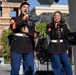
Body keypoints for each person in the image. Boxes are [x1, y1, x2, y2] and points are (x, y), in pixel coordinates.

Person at [10, 1, 37, 75]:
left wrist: (28, 32)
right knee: (15, 69)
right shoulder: (14, 18)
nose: (26, 9)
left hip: (28, 47)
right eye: (24, 7)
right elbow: (13, 27)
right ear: (20, 9)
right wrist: (23, 20)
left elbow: (35, 35)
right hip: (16, 47)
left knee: (29, 69)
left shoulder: (31, 21)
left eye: (27, 8)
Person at [46, 11, 72, 75]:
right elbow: (52, 35)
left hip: (62, 47)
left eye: (58, 15)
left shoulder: (64, 26)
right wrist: (54, 27)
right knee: (57, 66)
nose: (56, 17)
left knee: (67, 64)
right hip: (53, 48)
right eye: (55, 15)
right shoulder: (49, 26)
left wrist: (67, 48)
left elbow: (65, 38)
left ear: (60, 17)